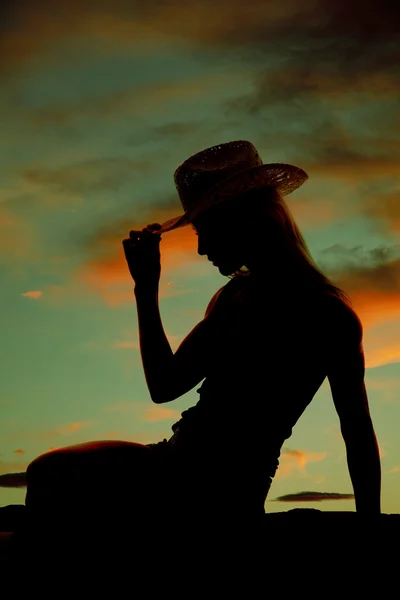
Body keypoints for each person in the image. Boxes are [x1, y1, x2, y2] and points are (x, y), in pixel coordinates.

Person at [22, 141, 381, 536]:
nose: (200, 248)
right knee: (51, 476)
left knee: (52, 477)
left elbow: (357, 434)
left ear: (246, 222)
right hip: (176, 464)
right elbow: (165, 385)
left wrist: (370, 529)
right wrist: (146, 288)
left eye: (205, 230)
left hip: (217, 491)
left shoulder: (323, 313)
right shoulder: (238, 297)